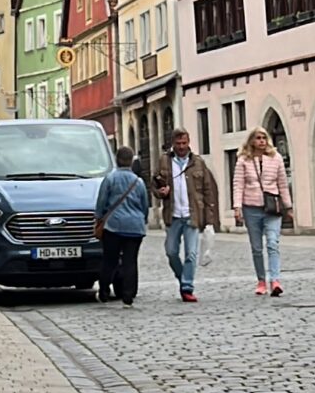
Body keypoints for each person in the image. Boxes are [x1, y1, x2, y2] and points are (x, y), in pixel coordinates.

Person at [156, 127, 221, 303]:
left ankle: (187, 287)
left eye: (184, 143)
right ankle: (182, 276)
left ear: (189, 142)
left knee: (191, 254)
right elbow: (154, 185)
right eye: (178, 144)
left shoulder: (198, 162)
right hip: (173, 215)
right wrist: (161, 191)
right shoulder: (164, 161)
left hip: (193, 214)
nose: (182, 147)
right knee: (171, 252)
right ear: (173, 144)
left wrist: (209, 218)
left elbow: (208, 191)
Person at [233, 127, 291, 297]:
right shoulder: (243, 160)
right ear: (252, 141)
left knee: (273, 243)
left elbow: (282, 184)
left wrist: (288, 206)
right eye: (258, 138)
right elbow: (238, 185)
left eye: (264, 138)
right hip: (251, 207)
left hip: (272, 207)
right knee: (257, 248)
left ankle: (275, 280)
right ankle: (261, 281)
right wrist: (237, 206)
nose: (261, 141)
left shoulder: (276, 158)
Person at [94, 144, 151, 307]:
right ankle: (128, 294)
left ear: (117, 160)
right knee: (130, 261)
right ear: (131, 161)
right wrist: (143, 220)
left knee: (110, 260)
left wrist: (98, 219)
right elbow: (144, 205)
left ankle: (104, 291)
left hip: (113, 226)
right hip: (134, 227)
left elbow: (102, 202)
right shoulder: (138, 182)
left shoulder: (110, 179)